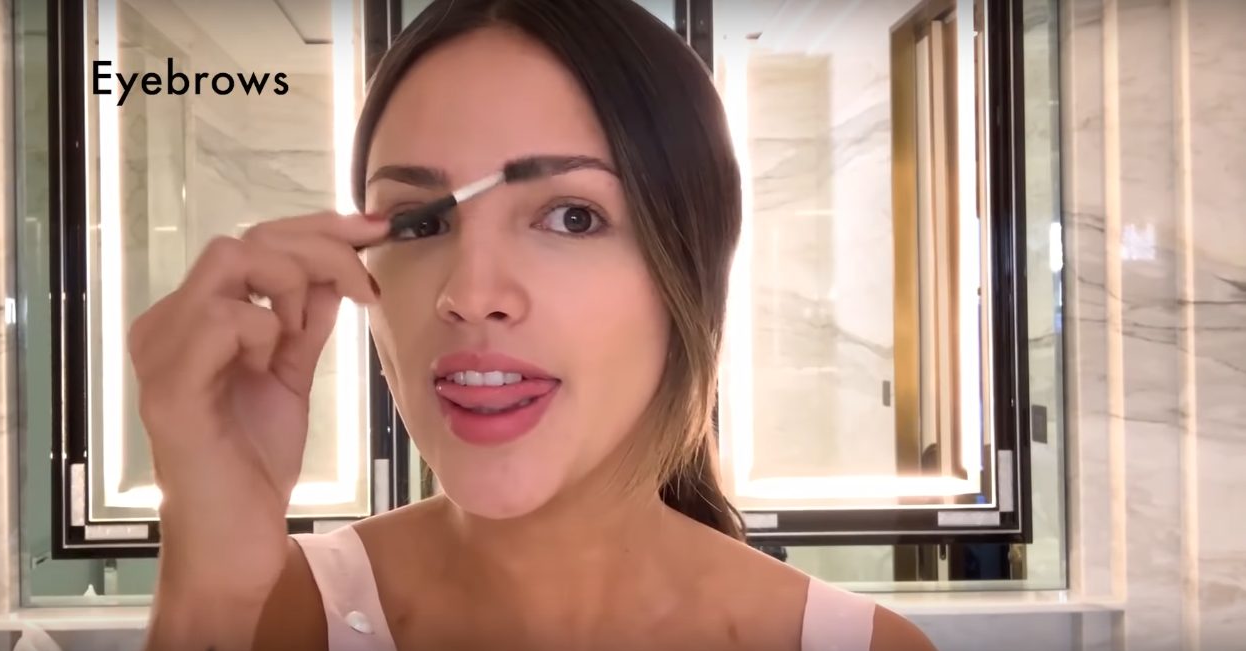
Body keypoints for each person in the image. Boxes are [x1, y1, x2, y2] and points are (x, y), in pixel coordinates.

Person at [132, 1, 938, 649]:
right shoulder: (266, 618)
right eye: (419, 222)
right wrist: (206, 582)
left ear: (689, 271)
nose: (468, 293)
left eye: (572, 217)